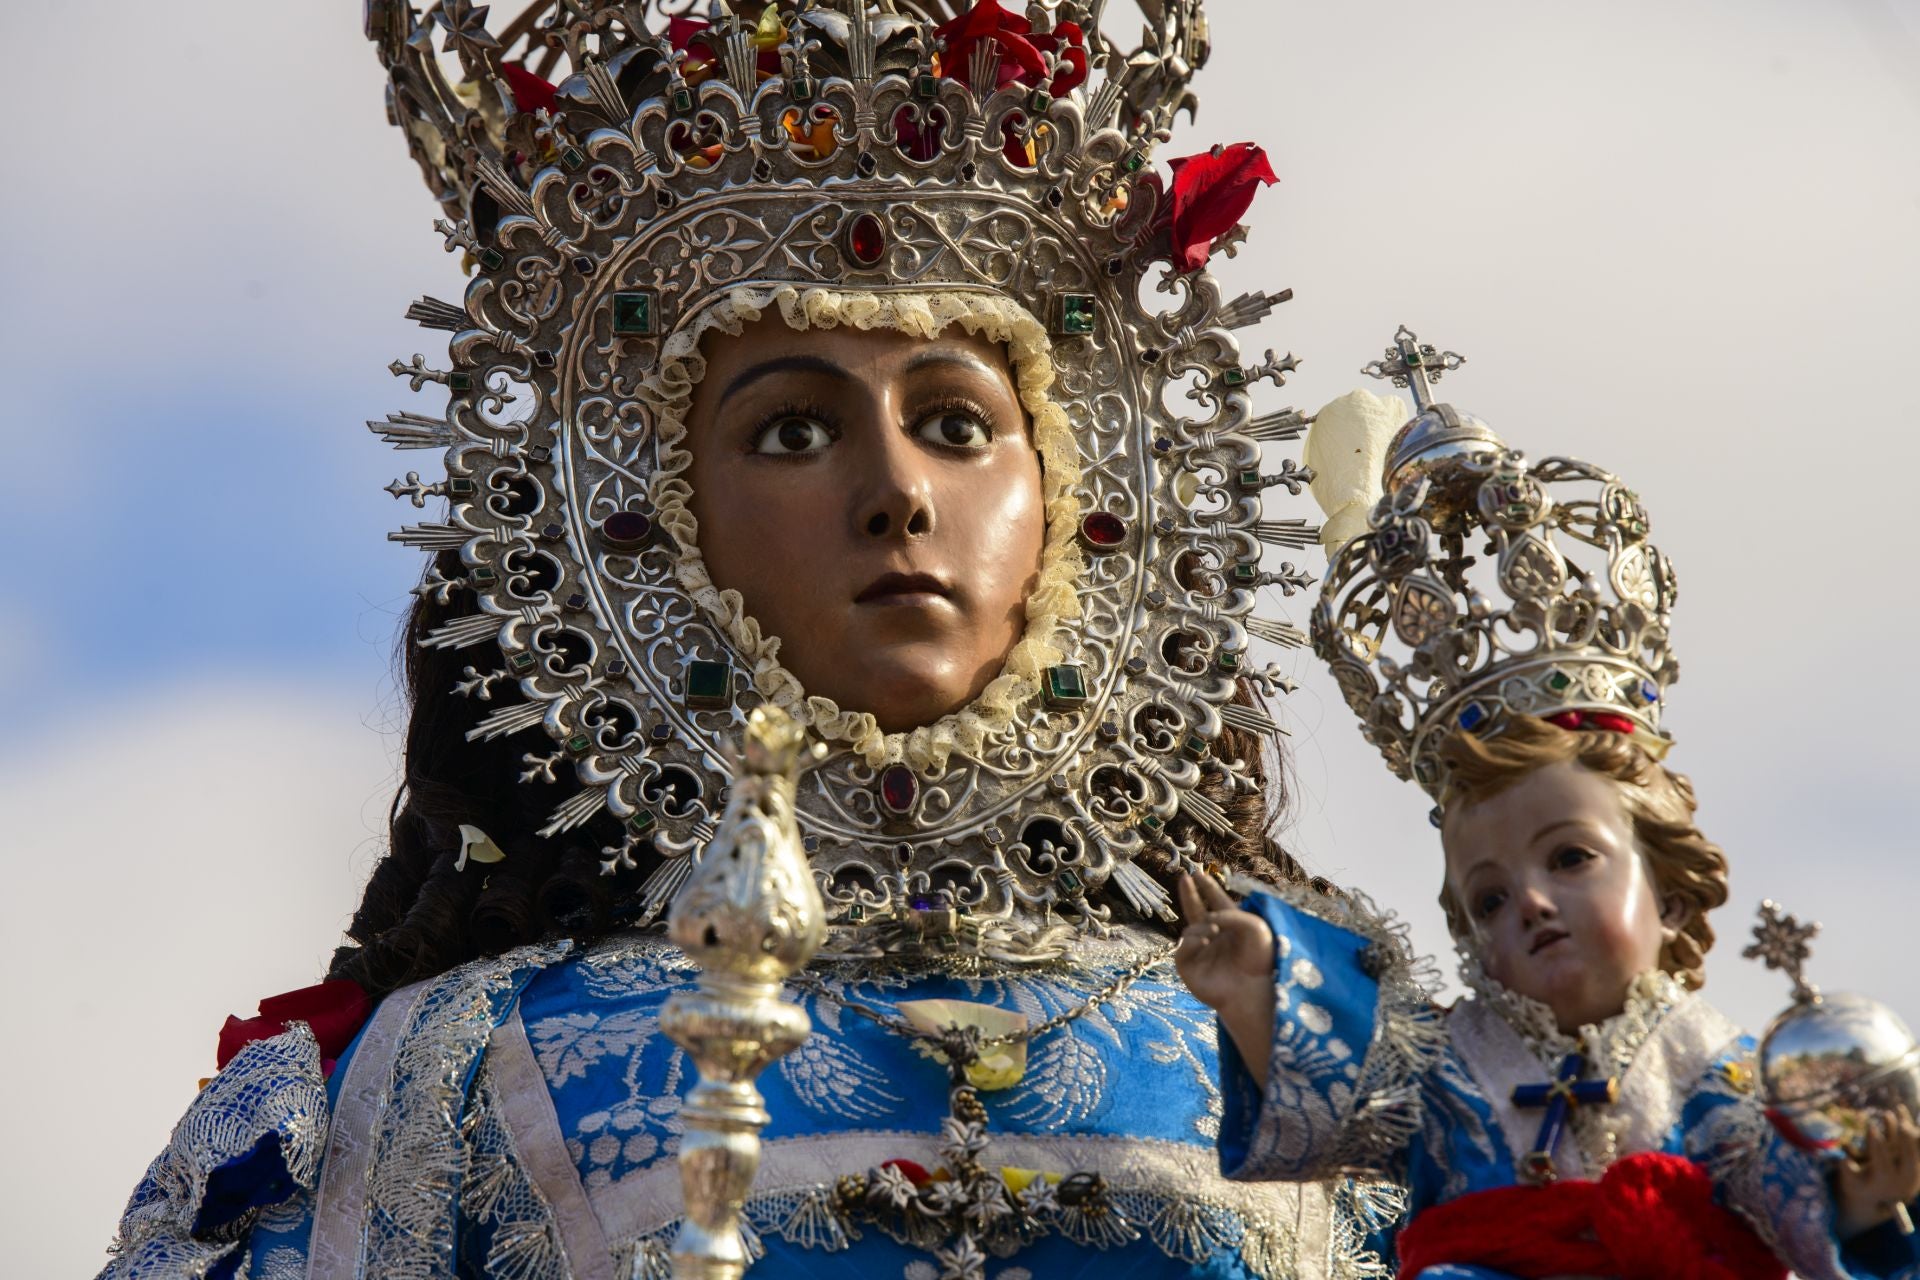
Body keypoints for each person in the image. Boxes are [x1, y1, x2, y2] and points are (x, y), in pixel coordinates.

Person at [97, 2, 1378, 1277]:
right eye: (793, 431)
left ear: (1076, 493)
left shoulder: (1304, 1058)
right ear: (642, 523)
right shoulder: (441, 1083)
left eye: (955, 421)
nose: (897, 491)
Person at [1174, 370, 1920, 1278]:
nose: (1527, 903)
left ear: (1672, 897)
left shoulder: (1711, 1068)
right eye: (1487, 900)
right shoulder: (1456, 1060)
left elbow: (1789, 1199)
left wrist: (1861, 1200)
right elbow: (1348, 1103)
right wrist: (1257, 988)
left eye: (1569, 858)